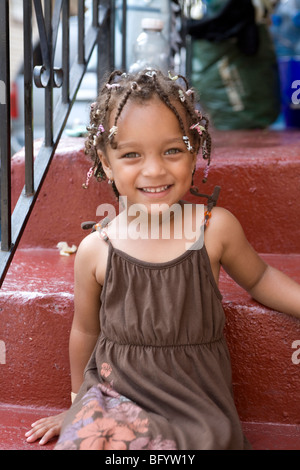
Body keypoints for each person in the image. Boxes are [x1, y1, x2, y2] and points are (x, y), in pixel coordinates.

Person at [25, 69, 300, 450]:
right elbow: (85, 331)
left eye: (172, 150)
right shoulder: (96, 249)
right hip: (115, 400)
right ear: (106, 162)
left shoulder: (213, 229)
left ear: (194, 151)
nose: (154, 170)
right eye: (132, 154)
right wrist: (75, 406)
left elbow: (261, 278)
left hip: (196, 408)